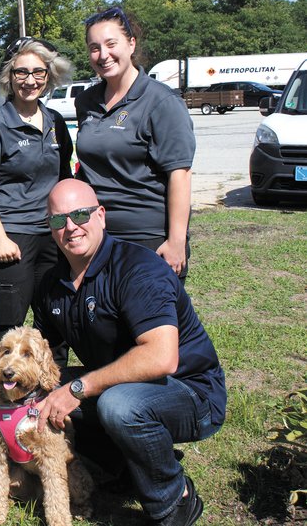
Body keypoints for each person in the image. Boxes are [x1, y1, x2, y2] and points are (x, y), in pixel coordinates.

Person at [33, 178, 226, 526]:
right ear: (50, 228)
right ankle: (121, 467)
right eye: (59, 220)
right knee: (42, 394)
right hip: (124, 386)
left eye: (80, 214)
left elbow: (162, 358)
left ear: (101, 215)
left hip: (190, 391)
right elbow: (47, 363)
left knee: (118, 406)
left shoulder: (137, 268)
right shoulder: (51, 286)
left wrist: (78, 389)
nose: (71, 227)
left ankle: (174, 499)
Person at [0, 36, 74, 422]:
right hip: (9, 238)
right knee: (5, 328)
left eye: (38, 72)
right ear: (11, 77)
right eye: (22, 72)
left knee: (53, 322)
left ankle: (49, 402)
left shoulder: (56, 123)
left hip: (52, 238)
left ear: (50, 76)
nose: (30, 79)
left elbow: (63, 180)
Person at [75, 6, 195, 279]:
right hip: (97, 235)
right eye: (94, 48)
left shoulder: (161, 101)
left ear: (131, 44)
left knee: (148, 320)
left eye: (110, 44)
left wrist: (176, 241)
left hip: (147, 238)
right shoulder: (86, 101)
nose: (103, 55)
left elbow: (180, 174)